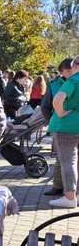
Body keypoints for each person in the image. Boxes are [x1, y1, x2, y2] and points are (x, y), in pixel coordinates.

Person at [47, 56, 79, 208]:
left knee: (68, 162)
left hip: (66, 127)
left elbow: (58, 99)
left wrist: (60, 112)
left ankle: (70, 197)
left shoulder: (73, 81)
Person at [41, 58, 75, 196]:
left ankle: (72, 190)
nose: (70, 73)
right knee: (61, 159)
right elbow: (45, 106)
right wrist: (51, 121)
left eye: (72, 70)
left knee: (70, 160)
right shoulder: (54, 86)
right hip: (61, 127)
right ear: (62, 72)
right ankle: (58, 186)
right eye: (67, 71)